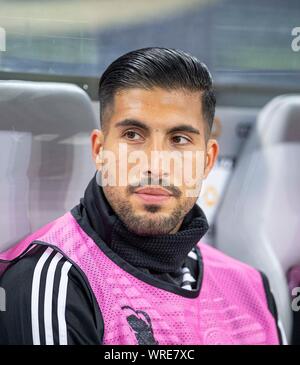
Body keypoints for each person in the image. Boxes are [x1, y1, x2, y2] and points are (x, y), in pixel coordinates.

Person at [0, 47, 282, 345]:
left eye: (179, 140)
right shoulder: (54, 282)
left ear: (207, 160)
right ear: (100, 151)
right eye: (133, 135)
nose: (155, 163)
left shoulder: (251, 288)